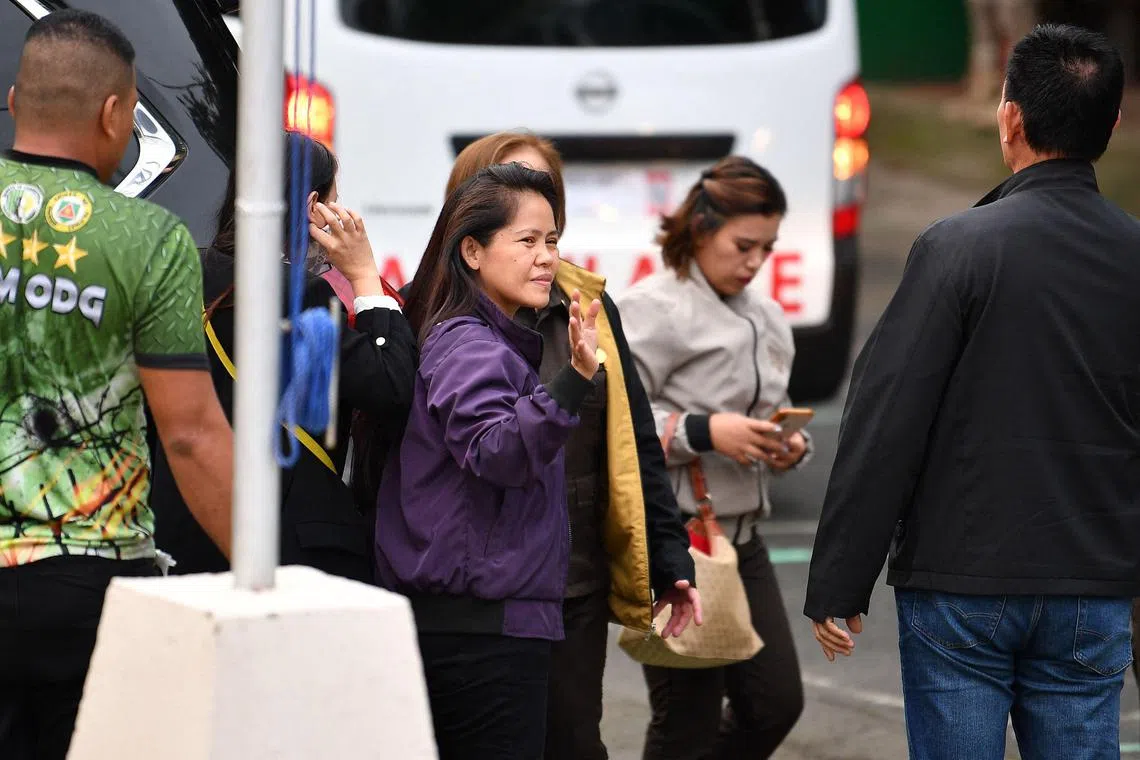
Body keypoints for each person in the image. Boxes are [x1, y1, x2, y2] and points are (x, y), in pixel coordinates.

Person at [805, 24, 1138, 760]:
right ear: (1112, 123)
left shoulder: (958, 248)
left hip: (961, 578)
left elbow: (887, 418)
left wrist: (840, 579)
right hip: (1093, 578)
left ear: (1009, 117)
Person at [0, 10, 234, 759]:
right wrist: (267, 570)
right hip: (87, 584)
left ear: (15, 100)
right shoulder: (150, 240)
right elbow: (191, 435)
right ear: (115, 115)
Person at [445, 131, 700, 760]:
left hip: (573, 575)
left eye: (546, 198)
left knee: (574, 740)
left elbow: (635, 436)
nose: (531, 205)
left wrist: (669, 553)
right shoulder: (445, 318)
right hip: (479, 589)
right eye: (509, 187)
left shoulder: (588, 304)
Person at [376, 163, 600, 759]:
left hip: (485, 623)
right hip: (480, 632)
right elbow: (496, 450)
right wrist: (573, 380)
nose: (546, 258)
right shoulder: (470, 343)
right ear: (472, 251)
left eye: (551, 240)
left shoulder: (489, 339)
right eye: (526, 241)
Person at [150, 131, 417, 583]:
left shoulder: (180, 272)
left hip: (182, 532)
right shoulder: (297, 294)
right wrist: (365, 276)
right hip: (283, 541)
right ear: (314, 207)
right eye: (334, 202)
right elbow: (391, 385)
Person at [616, 156, 810, 760]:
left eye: (767, 248)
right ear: (700, 229)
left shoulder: (767, 314)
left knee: (775, 705)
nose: (755, 261)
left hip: (743, 540)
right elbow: (613, 418)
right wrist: (702, 431)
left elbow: (767, 409)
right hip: (677, 539)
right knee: (687, 723)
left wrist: (785, 445)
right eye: (743, 245)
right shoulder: (652, 306)